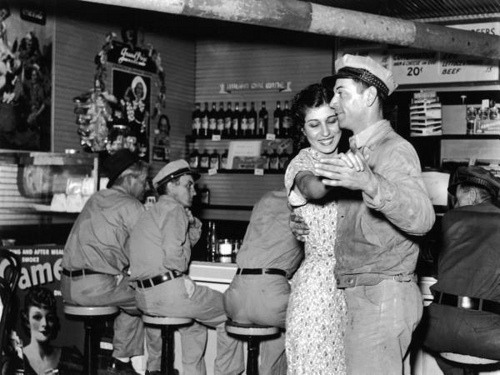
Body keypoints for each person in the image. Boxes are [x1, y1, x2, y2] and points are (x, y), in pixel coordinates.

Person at [291, 54, 435, 374]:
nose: (333, 101)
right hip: (368, 294)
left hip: (381, 294)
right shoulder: (358, 152)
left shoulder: (393, 150)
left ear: (369, 96)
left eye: (341, 92)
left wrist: (372, 184)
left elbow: (423, 218)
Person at [128, 159, 244, 375]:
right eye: (188, 185)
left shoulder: (149, 213)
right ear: (171, 186)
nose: (194, 191)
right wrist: (179, 276)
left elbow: (176, 247)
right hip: (169, 295)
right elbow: (175, 259)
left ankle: (171, 370)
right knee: (231, 311)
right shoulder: (174, 210)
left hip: (144, 297)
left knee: (195, 327)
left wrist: (192, 224)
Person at [61, 149, 149, 375]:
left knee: (129, 290)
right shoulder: (131, 206)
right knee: (148, 295)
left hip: (67, 286)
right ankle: (128, 363)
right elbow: (151, 250)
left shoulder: (96, 198)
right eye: (143, 181)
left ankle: (121, 359)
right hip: (94, 288)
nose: (146, 188)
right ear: (129, 179)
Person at [284, 83, 350, 374]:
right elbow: (314, 188)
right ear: (303, 130)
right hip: (318, 291)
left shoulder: (350, 155)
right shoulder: (300, 164)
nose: (324, 132)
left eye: (331, 121)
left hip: (350, 286)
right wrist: (353, 171)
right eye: (314, 124)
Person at [423, 166, 500, 375]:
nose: (455, 206)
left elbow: (437, 269)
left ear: (473, 195)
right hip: (490, 337)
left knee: (454, 356)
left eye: (457, 199)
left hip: (435, 331)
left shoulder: (445, 221)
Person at [223, 188, 303, 375]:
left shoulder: (266, 198)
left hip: (235, 296)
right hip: (269, 295)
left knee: (281, 325)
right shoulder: (304, 203)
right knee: (309, 324)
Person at [15, 286, 83, 374]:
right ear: (27, 320)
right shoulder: (16, 360)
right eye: (37, 317)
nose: (45, 324)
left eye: (50, 318)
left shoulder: (71, 357)